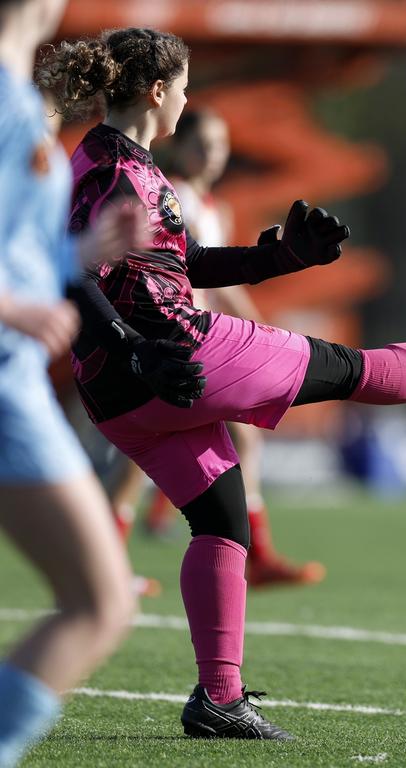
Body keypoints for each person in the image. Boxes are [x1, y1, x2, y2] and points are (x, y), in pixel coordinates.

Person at [37, 26, 406, 741]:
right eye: (183, 86)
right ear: (157, 92)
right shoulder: (119, 173)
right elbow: (76, 274)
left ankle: (219, 699)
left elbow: (184, 265)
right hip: (177, 358)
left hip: (126, 395)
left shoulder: (113, 159)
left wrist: (279, 258)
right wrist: (133, 347)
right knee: (358, 370)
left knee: (220, 522)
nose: (188, 98)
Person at [0, 1, 142, 764]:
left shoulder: (19, 98)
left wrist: (80, 249)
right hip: (3, 384)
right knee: (99, 603)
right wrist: (13, 305)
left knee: (99, 602)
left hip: (12, 380)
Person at [106, 108, 327, 588]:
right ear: (181, 147)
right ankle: (251, 554)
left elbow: (213, 275)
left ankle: (245, 552)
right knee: (147, 458)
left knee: (189, 449)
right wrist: (264, 329)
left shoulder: (213, 206)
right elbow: (199, 269)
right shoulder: (174, 196)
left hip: (197, 336)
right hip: (172, 337)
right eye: (204, 145)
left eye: (222, 145)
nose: (214, 155)